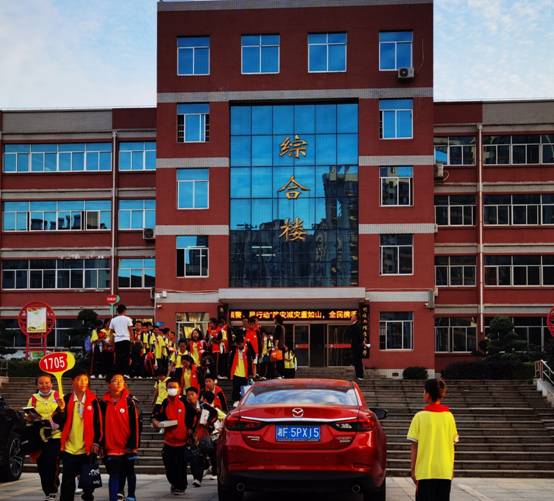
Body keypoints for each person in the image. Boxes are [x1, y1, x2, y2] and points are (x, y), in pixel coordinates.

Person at [52, 372, 102, 501]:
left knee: (88, 484)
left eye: (85, 379)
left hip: (87, 448)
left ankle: (88, 496)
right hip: (69, 448)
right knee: (67, 482)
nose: (83, 382)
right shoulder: (66, 398)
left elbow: (99, 423)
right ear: (72, 381)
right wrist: (61, 409)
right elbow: (57, 421)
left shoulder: (94, 400)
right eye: (79, 379)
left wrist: (97, 442)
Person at [407, 379, 459, 501]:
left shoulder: (419, 417)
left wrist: (413, 470)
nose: (423, 394)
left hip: (425, 472)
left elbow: (414, 446)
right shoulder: (449, 417)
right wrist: (451, 469)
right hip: (444, 471)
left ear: (428, 394)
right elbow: (452, 445)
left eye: (424, 391)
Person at [99, 374, 140, 501]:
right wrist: (101, 445)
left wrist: (133, 445)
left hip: (128, 446)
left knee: (129, 471)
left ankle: (131, 495)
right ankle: (114, 497)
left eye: (121, 381)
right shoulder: (103, 403)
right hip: (111, 446)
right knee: (114, 474)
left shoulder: (130, 402)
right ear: (108, 384)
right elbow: (99, 425)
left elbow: (136, 425)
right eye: (115, 381)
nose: (118, 383)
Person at [151, 379, 195, 496]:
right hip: (169, 441)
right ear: (166, 389)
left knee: (181, 466)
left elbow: (193, 415)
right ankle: (174, 483)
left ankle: (180, 486)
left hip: (182, 442)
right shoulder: (165, 403)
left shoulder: (184, 402)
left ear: (179, 389)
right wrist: (155, 421)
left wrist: (190, 429)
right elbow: (156, 416)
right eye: (170, 387)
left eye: (174, 387)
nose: (172, 389)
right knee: (169, 465)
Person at [26, 374, 62, 501]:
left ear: (51, 384)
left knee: (52, 463)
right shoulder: (33, 399)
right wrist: (30, 417)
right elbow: (28, 417)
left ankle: (52, 490)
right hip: (39, 437)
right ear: (37, 385)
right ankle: (47, 490)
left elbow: (64, 413)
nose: (44, 385)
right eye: (41, 383)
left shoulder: (58, 396)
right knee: (42, 465)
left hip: (56, 436)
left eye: (47, 383)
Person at [185, 386, 218, 484]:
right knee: (194, 457)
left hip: (203, 434)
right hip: (192, 435)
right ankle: (197, 478)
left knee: (204, 452)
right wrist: (188, 429)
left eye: (192, 394)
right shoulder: (185, 406)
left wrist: (208, 422)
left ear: (197, 395)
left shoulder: (204, 406)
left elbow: (214, 414)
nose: (190, 397)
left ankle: (206, 470)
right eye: (188, 395)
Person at [228, 335, 255, 404]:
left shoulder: (247, 350)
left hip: (245, 373)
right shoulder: (234, 350)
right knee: (235, 388)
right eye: (238, 344)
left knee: (244, 390)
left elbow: (251, 361)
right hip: (236, 373)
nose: (239, 345)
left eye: (240, 344)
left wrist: (250, 373)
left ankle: (243, 402)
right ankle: (236, 401)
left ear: (243, 343)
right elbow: (231, 362)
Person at [109, 305, 133, 376]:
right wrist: (132, 339)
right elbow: (131, 330)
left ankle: (119, 373)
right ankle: (125, 373)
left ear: (117, 311)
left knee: (118, 357)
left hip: (117, 340)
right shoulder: (128, 319)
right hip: (126, 340)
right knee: (126, 357)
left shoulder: (113, 320)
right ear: (124, 311)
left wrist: (111, 340)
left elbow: (111, 332)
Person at [347, 312, 365, 380]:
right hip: (355, 346)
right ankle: (358, 375)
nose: (351, 317)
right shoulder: (353, 325)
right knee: (356, 361)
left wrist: (361, 343)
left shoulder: (357, 326)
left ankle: (360, 375)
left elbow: (360, 336)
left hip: (358, 346)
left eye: (352, 316)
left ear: (355, 318)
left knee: (358, 361)